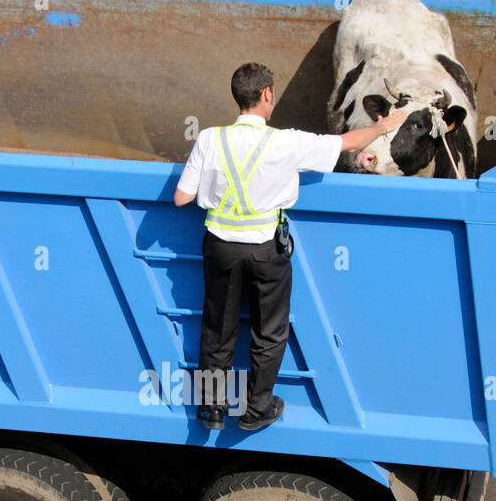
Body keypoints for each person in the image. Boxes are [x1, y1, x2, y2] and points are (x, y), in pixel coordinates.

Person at [174, 62, 407, 432]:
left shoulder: (209, 138)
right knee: (269, 329)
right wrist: (382, 127)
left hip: (219, 247)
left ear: (237, 97)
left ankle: (211, 408)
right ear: (267, 94)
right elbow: (347, 142)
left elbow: (181, 198)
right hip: (266, 249)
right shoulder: (285, 142)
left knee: (217, 327)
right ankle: (256, 407)